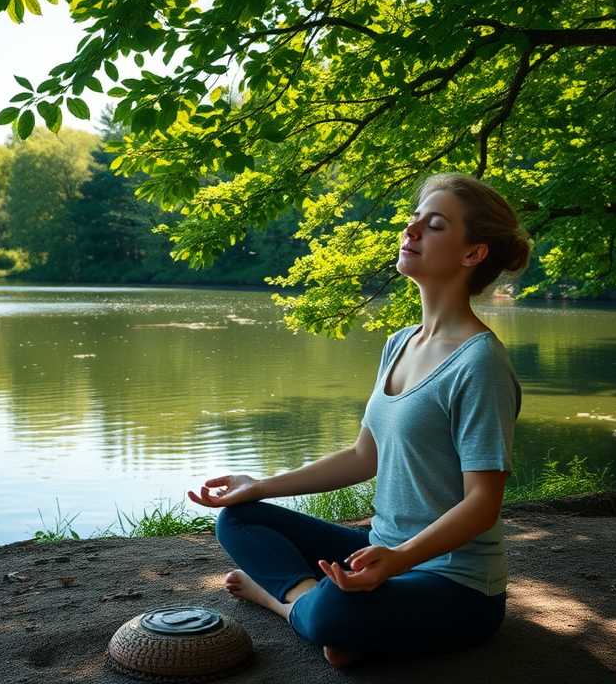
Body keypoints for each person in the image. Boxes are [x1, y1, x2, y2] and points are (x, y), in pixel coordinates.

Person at [188, 173, 532, 668]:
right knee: (241, 518)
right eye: (413, 220)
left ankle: (279, 601)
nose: (410, 231)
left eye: (433, 226)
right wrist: (260, 485)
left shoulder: (481, 365)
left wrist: (397, 561)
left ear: (472, 254)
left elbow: (483, 504)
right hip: (379, 551)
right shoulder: (400, 343)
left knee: (335, 622)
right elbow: (361, 457)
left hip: (456, 584)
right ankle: (323, 604)